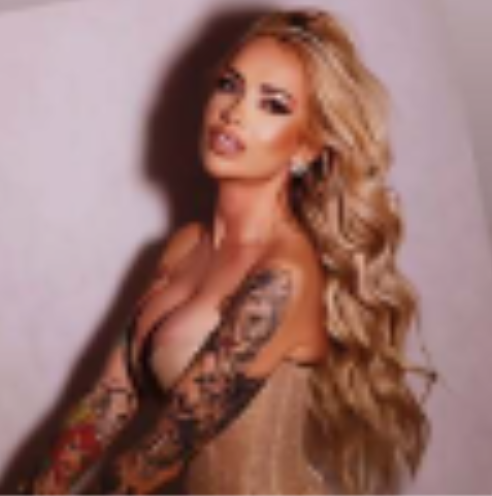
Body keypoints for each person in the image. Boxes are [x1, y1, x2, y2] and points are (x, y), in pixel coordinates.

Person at [17, 7, 439, 495]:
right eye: (229, 85)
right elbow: (111, 397)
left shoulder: (284, 275)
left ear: (305, 148)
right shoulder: (186, 246)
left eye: (273, 104)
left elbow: (155, 459)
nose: (234, 111)